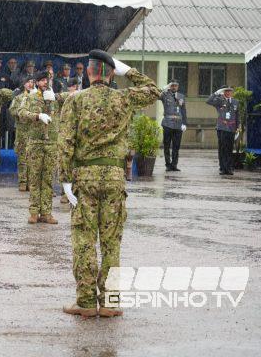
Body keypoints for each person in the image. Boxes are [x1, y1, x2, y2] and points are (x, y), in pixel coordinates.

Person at [58, 49, 160, 318]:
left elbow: (65, 143)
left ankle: (87, 302)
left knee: (84, 241)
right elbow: (154, 90)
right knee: (112, 244)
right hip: (114, 178)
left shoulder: (75, 101)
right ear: (111, 73)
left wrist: (65, 180)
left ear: (89, 72)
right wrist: (129, 71)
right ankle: (111, 303)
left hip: (85, 178)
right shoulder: (124, 98)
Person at [19, 73, 68, 224]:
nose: (45, 82)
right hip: (35, 142)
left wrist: (56, 96)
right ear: (36, 82)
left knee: (48, 179)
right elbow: (21, 113)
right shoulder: (31, 97)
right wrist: (37, 116)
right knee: (34, 178)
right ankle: (34, 212)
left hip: (52, 143)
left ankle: (46, 212)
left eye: (47, 80)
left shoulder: (55, 97)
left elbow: (72, 97)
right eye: (42, 80)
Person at [9, 76, 34, 192]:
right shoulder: (19, 98)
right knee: (22, 158)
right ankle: (23, 182)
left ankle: (32, 182)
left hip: (33, 131)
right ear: (24, 84)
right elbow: (12, 110)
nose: (30, 84)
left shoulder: (36, 97)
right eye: (28, 82)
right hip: (22, 130)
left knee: (33, 158)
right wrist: (21, 113)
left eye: (32, 82)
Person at [207, 86, 239, 176]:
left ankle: (229, 168)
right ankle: (223, 167)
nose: (228, 93)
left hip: (232, 128)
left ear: (231, 93)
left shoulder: (235, 102)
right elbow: (208, 101)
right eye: (226, 91)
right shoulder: (219, 100)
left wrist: (237, 127)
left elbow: (237, 116)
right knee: (222, 148)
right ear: (223, 92)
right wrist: (216, 92)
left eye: (229, 91)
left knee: (229, 148)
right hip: (222, 127)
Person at [160, 80, 187, 171]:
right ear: (170, 86)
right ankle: (168, 164)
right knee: (167, 145)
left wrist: (184, 123)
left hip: (178, 124)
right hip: (167, 123)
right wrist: (163, 89)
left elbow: (183, 110)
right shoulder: (165, 95)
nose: (174, 87)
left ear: (178, 87)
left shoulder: (181, 96)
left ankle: (174, 165)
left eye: (176, 86)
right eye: (172, 86)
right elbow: (156, 95)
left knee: (176, 146)